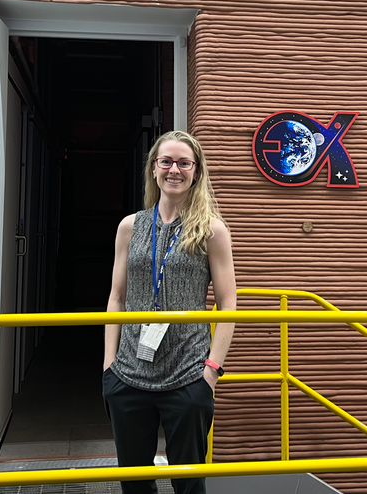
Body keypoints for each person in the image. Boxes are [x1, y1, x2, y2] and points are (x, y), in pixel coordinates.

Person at [102, 131, 237, 494]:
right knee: (134, 479)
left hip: (188, 374)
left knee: (188, 479)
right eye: (166, 161)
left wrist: (211, 372)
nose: (174, 169)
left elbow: (227, 304)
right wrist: (108, 365)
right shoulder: (130, 226)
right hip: (129, 373)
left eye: (183, 163)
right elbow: (116, 297)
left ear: (196, 171)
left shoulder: (211, 230)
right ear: (154, 168)